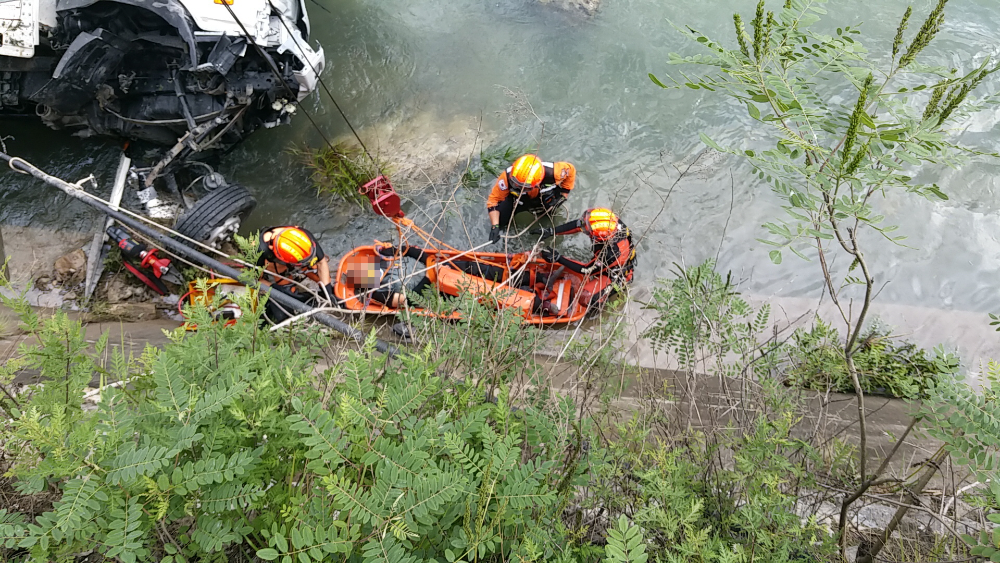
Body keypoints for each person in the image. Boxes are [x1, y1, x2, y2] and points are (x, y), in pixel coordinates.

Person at [345, 243, 561, 316]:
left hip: (434, 277)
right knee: (478, 279)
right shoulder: (384, 277)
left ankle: (539, 288)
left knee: (479, 279)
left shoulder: (380, 286)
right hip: (433, 277)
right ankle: (538, 291)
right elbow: (407, 300)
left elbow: (405, 300)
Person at [531, 207, 636, 308]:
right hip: (606, 260)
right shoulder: (608, 223)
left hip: (615, 274)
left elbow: (586, 269)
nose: (584, 229)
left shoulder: (612, 254)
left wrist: (559, 258)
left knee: (585, 296)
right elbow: (578, 225)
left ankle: (597, 307)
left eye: (587, 231)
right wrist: (551, 231)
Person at [486, 154, 576, 244]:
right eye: (517, 185)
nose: (521, 189)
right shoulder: (506, 177)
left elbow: (571, 170)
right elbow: (493, 200)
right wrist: (495, 226)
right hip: (518, 200)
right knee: (500, 220)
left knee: (549, 214)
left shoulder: (554, 172)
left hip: (543, 197)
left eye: (525, 187)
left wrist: (564, 195)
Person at [256, 226, 332, 322]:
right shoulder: (259, 251)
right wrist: (274, 289)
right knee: (286, 294)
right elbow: (255, 279)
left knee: (319, 272)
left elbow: (321, 262)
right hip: (275, 266)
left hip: (291, 258)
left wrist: (327, 290)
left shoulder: (304, 238)